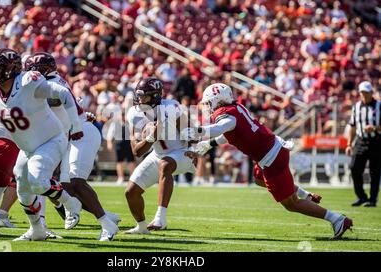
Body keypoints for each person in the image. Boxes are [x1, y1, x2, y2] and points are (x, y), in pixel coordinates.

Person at [183, 83, 353, 239]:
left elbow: (221, 128)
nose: (207, 106)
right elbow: (227, 132)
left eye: (209, 102)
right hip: (270, 152)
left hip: (271, 157)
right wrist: (208, 144)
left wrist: (196, 132)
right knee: (258, 179)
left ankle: (337, 219)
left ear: (218, 101)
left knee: (291, 204)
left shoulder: (227, 115)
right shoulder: (234, 108)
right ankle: (304, 193)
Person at [0, 48, 82, 241]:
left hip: (50, 139)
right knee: (23, 192)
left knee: (38, 180)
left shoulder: (28, 82)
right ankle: (37, 230)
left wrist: (76, 125)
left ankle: (70, 203)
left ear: (12, 68)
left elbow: (63, 93)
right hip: (27, 147)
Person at [24, 52, 119, 240]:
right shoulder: (49, 81)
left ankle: (106, 224)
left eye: (33, 70)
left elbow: (56, 99)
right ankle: (105, 216)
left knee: (76, 183)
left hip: (80, 132)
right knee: (61, 187)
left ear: (42, 70)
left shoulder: (53, 83)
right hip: (69, 134)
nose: (29, 74)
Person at [125, 77, 196, 234]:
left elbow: (192, 132)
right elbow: (137, 152)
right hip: (157, 154)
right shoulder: (133, 114)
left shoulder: (171, 107)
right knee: (131, 192)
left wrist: (194, 148)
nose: (140, 99)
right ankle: (142, 227)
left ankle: (160, 218)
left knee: (165, 164)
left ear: (156, 96)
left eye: (144, 96)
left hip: (181, 152)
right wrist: (151, 137)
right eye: (139, 95)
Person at [346, 81, 381, 207]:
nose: (364, 95)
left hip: (376, 141)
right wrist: (349, 144)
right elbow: (353, 126)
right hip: (360, 141)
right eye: (362, 92)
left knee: (374, 172)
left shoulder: (379, 105)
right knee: (354, 167)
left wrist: (376, 128)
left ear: (371, 92)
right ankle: (361, 196)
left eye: (366, 92)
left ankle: (372, 199)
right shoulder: (356, 107)